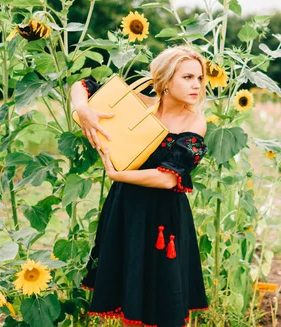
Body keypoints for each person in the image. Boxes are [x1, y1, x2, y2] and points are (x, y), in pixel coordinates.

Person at [70, 45, 210, 327]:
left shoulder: (195, 122)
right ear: (166, 79)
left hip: (163, 219)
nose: (196, 85)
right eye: (187, 77)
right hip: (126, 208)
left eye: (199, 78)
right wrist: (83, 109)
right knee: (130, 291)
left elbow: (169, 177)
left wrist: (118, 175)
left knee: (162, 299)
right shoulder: (136, 103)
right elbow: (82, 84)